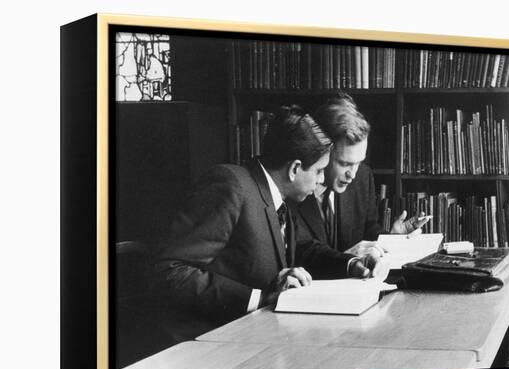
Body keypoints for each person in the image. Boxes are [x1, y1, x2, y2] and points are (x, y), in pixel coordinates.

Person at [154, 105, 382, 341]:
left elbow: (305, 249)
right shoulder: (231, 186)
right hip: (207, 342)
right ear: (294, 169)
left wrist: (351, 264)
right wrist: (258, 298)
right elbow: (170, 270)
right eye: (319, 171)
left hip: (256, 335)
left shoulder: (280, 197)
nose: (322, 179)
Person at [292, 93, 430, 258]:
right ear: (322, 152)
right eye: (345, 163)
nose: (353, 174)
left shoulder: (363, 177)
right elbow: (303, 255)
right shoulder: (294, 188)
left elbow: (368, 231)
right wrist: (347, 261)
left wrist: (392, 239)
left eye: (358, 162)